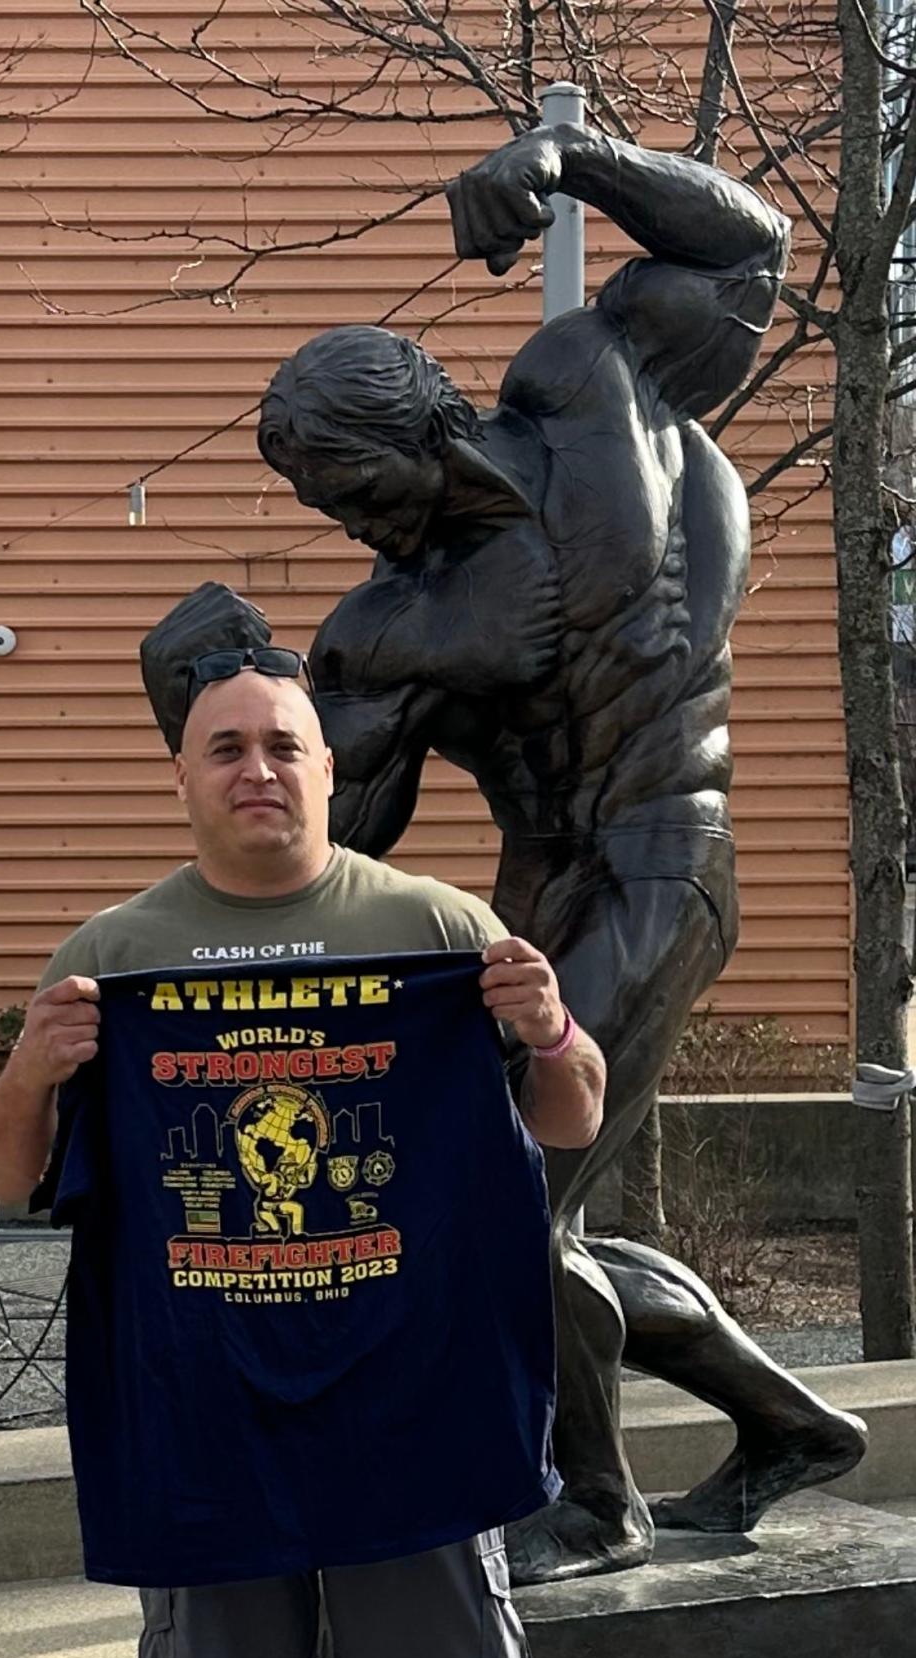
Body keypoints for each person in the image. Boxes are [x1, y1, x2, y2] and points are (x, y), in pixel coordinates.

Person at [256, 125, 866, 1582]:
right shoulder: (384, 624)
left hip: (668, 853)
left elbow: (749, 249)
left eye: (353, 488)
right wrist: (280, 712)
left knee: (508, 1196)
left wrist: (575, 158)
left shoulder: (599, 394)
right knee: (534, 1202)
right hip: (538, 897)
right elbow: (346, 840)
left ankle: (594, 1503)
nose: (349, 523)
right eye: (324, 509)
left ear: (421, 430)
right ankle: (791, 1427)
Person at [0, 584, 607, 1658]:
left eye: (282, 746)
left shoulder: (434, 929)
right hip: (207, 1421)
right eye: (226, 748)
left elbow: (573, 1114)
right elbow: (13, 1170)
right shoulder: (118, 955)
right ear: (185, 777)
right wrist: (33, 1069)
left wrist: (547, 1029)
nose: (256, 769)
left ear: (329, 768)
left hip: (410, 1408)